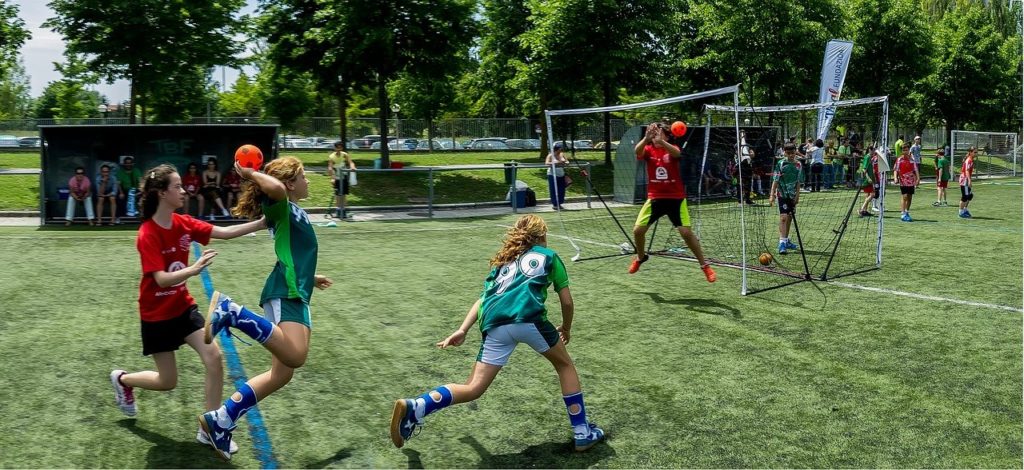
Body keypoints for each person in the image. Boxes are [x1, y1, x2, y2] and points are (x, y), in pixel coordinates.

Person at [388, 214, 605, 452]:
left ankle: (418, 405)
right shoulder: (549, 256)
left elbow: (483, 300)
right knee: (565, 366)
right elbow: (567, 301)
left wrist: (463, 329)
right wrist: (566, 327)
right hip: (528, 318)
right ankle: (582, 432)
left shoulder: (504, 262)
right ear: (542, 236)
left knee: (473, 388)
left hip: (495, 325)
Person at [109, 164, 266, 454]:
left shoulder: (183, 222)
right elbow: (161, 278)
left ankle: (210, 427)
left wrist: (260, 224)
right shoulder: (147, 233)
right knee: (167, 381)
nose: (184, 191)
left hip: (182, 308)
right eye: (177, 186)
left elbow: (222, 232)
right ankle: (123, 379)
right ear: (161, 193)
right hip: (156, 315)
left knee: (214, 356)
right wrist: (193, 270)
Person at [199, 157, 333, 460]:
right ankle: (231, 311)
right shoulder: (281, 204)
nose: (308, 181)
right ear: (288, 184)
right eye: (303, 176)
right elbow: (273, 188)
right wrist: (249, 173)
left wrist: (311, 276)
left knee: (281, 374)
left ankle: (221, 420)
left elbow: (291, 252)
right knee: (296, 356)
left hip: (295, 289)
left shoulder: (293, 212)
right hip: (286, 290)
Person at [628, 123, 716, 282]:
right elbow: (637, 151)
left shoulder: (672, 148)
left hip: (676, 199)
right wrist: (646, 138)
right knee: (637, 231)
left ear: (666, 136)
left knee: (686, 233)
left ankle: (705, 266)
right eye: (652, 133)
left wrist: (662, 142)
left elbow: (676, 153)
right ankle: (640, 257)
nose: (654, 135)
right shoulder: (648, 149)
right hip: (655, 198)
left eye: (658, 133)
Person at [768, 143, 803, 254]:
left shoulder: (798, 165)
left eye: (792, 153)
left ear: (795, 152)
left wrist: (797, 195)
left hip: (792, 195)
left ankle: (786, 240)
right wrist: (772, 194)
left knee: (790, 217)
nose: (791, 155)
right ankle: (782, 243)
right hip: (782, 194)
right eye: (788, 153)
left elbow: (798, 182)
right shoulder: (781, 163)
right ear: (784, 152)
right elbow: (775, 180)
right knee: (783, 217)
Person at [326, 142, 356, 219]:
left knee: (344, 194)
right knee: (338, 195)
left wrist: (352, 167)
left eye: (340, 148)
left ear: (341, 148)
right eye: (337, 148)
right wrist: (332, 178)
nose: (339, 149)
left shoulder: (345, 154)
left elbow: (351, 162)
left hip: (344, 176)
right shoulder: (332, 156)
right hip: (337, 177)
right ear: (335, 148)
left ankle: (344, 211)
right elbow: (330, 167)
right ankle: (338, 210)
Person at [893, 143, 919, 222]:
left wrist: (918, 179)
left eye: (907, 150)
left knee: (910, 197)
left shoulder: (912, 159)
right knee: (904, 196)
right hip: (903, 181)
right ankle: (903, 213)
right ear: (902, 151)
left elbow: (915, 170)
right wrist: (895, 178)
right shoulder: (899, 159)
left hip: (911, 181)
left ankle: (907, 211)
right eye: (904, 150)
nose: (905, 151)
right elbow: (895, 170)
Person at [117, 156, 142, 222]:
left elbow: (140, 182)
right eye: (127, 163)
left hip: (135, 190)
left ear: (132, 164)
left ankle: (140, 216)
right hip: (125, 190)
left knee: (141, 197)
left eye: (130, 163)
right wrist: (121, 193)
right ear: (124, 164)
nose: (128, 165)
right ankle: (121, 217)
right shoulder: (120, 172)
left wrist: (140, 191)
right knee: (120, 198)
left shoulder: (136, 171)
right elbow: (118, 184)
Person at [857, 148, 880, 217]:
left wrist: (873, 178)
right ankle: (861, 209)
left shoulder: (870, 158)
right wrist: (868, 178)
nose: (874, 152)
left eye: (874, 150)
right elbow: (864, 169)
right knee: (873, 194)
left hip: (869, 179)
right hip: (866, 180)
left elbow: (870, 169)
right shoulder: (867, 157)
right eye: (872, 150)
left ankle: (865, 211)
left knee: (868, 195)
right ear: (869, 150)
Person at [546, 141, 569, 209]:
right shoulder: (550, 155)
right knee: (554, 190)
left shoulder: (562, 154)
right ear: (556, 149)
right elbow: (547, 163)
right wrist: (557, 163)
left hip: (561, 174)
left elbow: (567, 161)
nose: (561, 150)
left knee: (561, 190)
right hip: (552, 174)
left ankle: (560, 203)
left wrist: (566, 162)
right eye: (560, 149)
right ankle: (555, 204)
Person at [958, 146, 976, 218]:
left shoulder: (970, 160)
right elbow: (967, 171)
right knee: (965, 196)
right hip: (964, 180)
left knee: (970, 195)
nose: (976, 154)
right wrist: (969, 180)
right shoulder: (969, 160)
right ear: (970, 152)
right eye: (975, 152)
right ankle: (961, 212)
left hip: (966, 179)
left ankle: (965, 209)